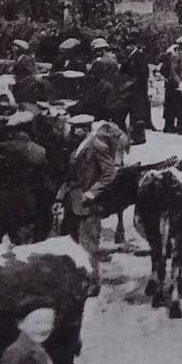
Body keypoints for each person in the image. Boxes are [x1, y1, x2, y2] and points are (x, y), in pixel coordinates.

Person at [55, 120, 128, 295]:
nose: (74, 130)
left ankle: (93, 283)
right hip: (72, 203)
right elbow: (70, 176)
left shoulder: (98, 146)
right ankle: (76, 280)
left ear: (87, 129)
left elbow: (109, 174)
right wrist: (59, 197)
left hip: (88, 204)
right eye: (73, 127)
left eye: (79, 127)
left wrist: (92, 193)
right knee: (71, 244)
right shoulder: (77, 147)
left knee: (89, 245)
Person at [0, 112, 52, 245]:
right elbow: (44, 179)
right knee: (23, 242)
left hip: (3, 199)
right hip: (28, 201)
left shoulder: (2, 148)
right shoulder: (39, 151)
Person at [121, 45, 152, 145]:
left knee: (137, 113)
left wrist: (131, 83)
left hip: (138, 89)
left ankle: (138, 137)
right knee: (133, 113)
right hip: (131, 89)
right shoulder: (129, 57)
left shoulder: (140, 56)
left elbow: (142, 74)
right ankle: (133, 135)